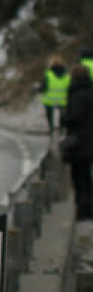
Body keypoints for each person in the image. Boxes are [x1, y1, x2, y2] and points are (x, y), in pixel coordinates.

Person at [62, 63, 93, 220]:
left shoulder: (77, 95)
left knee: (79, 178)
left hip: (80, 144)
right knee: (87, 177)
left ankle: (83, 210)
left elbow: (74, 118)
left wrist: (64, 119)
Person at [37, 54, 69, 136]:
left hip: (49, 100)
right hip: (63, 100)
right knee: (62, 115)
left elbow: (44, 87)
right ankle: (61, 129)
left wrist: (38, 89)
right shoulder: (67, 74)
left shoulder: (48, 74)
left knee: (50, 115)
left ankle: (51, 129)